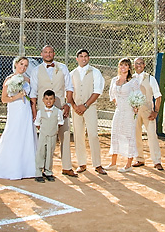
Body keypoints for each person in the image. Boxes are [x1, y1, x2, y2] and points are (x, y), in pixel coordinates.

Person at [29, 45, 77, 178]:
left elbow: (69, 87)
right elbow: (33, 91)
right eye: (45, 52)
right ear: (41, 54)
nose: (48, 54)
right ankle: (43, 168)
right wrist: (34, 110)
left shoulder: (62, 67)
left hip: (61, 107)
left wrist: (68, 103)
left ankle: (67, 167)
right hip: (43, 109)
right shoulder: (36, 70)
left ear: (54, 53)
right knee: (44, 139)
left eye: (50, 52)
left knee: (65, 135)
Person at [0, 56, 39, 180]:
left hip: (26, 110)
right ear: (16, 64)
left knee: (26, 134)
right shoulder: (9, 79)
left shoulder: (27, 79)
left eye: (26, 65)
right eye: (21, 64)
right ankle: (10, 166)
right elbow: (4, 99)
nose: (23, 67)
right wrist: (17, 97)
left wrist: (33, 109)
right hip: (15, 109)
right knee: (14, 133)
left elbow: (32, 95)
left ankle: (28, 167)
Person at [67, 49, 107, 175]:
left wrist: (85, 105)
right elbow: (68, 91)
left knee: (93, 135)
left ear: (88, 58)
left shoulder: (95, 72)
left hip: (90, 108)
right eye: (81, 56)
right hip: (76, 109)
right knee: (78, 135)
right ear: (77, 58)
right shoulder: (72, 73)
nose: (83, 58)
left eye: (85, 56)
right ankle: (81, 163)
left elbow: (98, 90)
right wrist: (74, 106)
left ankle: (97, 164)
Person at [107, 57, 142, 173]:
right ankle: (113, 163)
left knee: (129, 136)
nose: (123, 67)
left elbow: (137, 95)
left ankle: (128, 165)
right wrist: (118, 103)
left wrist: (135, 107)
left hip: (129, 112)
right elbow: (112, 96)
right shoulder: (114, 80)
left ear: (129, 67)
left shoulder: (133, 81)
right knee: (115, 134)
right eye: (121, 65)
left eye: (126, 65)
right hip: (119, 111)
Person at [131, 56, 163, 170]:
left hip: (148, 111)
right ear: (133, 66)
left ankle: (157, 161)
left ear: (144, 65)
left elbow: (158, 96)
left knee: (152, 135)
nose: (138, 65)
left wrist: (156, 111)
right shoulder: (131, 79)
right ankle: (139, 159)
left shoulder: (150, 78)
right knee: (136, 135)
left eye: (141, 63)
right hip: (134, 112)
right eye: (136, 63)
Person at [33, 90, 63, 182]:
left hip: (52, 135)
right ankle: (38, 172)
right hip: (43, 135)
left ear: (54, 100)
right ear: (43, 100)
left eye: (51, 99)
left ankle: (48, 171)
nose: (48, 101)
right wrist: (43, 130)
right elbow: (37, 123)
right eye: (46, 99)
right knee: (41, 153)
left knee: (50, 153)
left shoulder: (58, 112)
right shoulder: (40, 112)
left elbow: (60, 122)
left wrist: (53, 130)